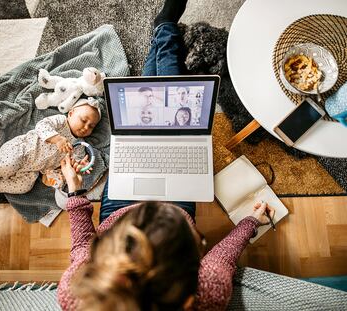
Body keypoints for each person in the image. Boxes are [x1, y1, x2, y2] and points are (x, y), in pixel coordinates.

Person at [58, 0, 276, 310]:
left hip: (118, 203)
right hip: (174, 196)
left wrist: (76, 190)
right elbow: (222, 256)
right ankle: (164, 29)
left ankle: (164, 30)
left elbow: (81, 244)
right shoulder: (208, 295)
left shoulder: (78, 294)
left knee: (144, 113)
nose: (151, 207)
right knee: (174, 110)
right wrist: (251, 222)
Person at [0, 98, 101, 198]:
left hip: (32, 169)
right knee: (8, 165)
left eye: (91, 126)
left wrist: (81, 165)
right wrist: (57, 138)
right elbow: (41, 126)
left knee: (25, 186)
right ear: (71, 113)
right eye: (83, 120)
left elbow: (73, 163)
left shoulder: (79, 146)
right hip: (22, 150)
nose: (86, 127)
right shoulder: (61, 121)